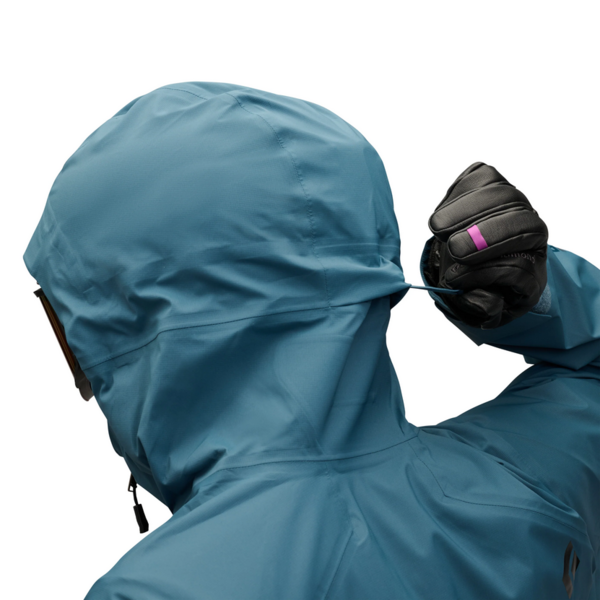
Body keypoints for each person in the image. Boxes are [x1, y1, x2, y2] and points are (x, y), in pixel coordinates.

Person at [24, 82, 600, 599]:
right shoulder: (529, 482)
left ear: (128, 325)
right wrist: (529, 292)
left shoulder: (154, 591)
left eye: (70, 324)